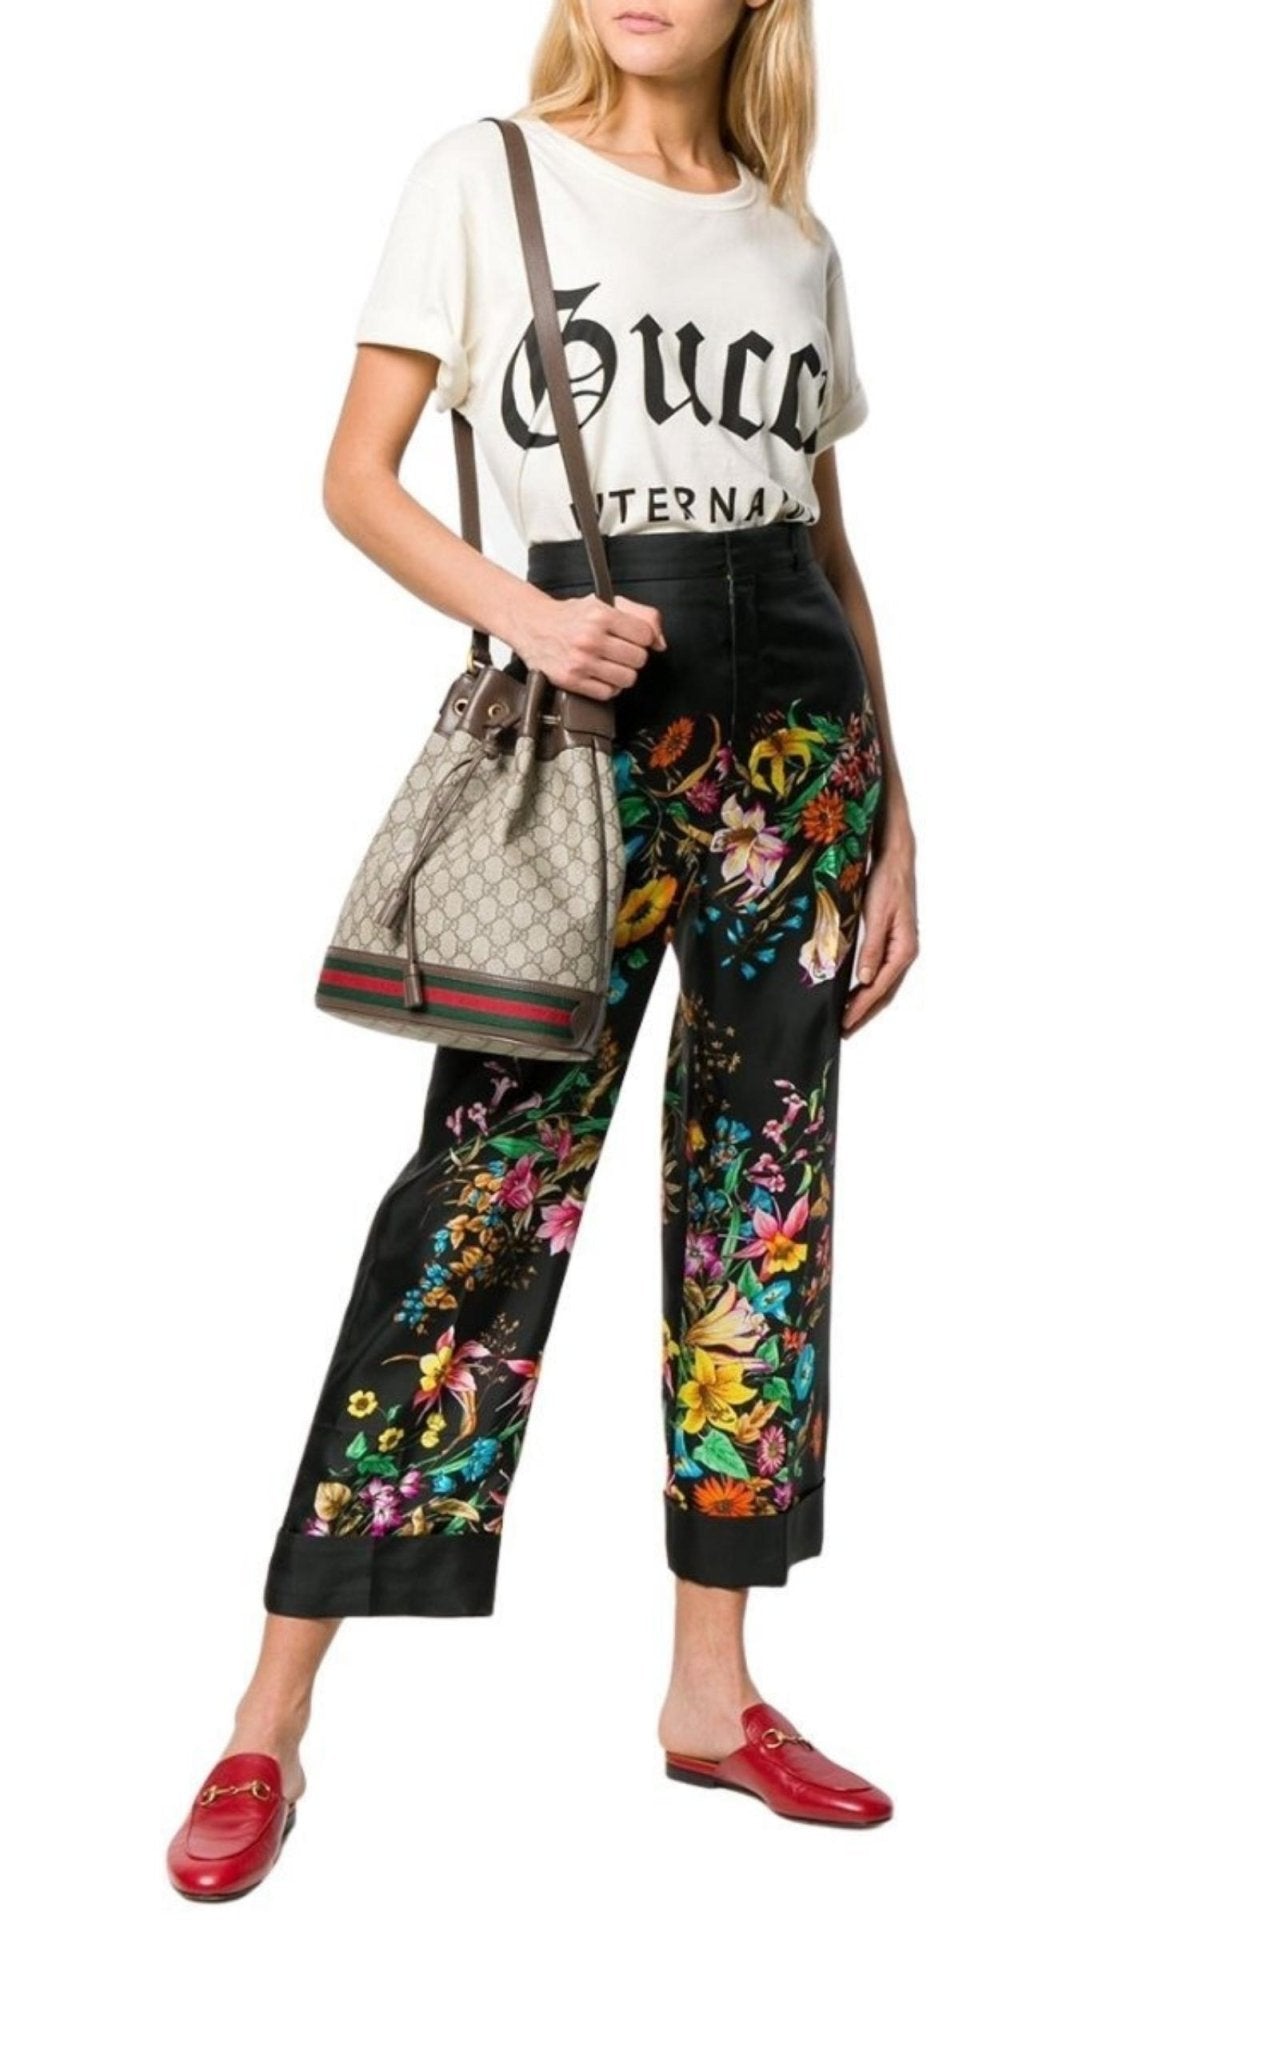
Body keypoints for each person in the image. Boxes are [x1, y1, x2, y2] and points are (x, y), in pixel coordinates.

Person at [166, 0, 919, 1900]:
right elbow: (356, 474)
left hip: (802, 754)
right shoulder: (481, 174)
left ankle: (711, 1696)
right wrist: (523, 612)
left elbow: (826, 549)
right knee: (481, 1197)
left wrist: (897, 811)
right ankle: (267, 1718)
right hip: (589, 733)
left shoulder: (790, 237)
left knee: (759, 1203)